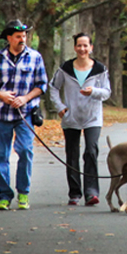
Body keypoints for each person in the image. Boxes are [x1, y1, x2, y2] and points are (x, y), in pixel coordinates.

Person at [0, 20, 48, 211]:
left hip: (25, 114)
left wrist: (25, 98)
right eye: (18, 37)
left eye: (24, 36)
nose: (22, 39)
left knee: (25, 151)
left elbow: (42, 85)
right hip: (1, 114)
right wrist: (0, 94)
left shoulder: (35, 57)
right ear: (9, 38)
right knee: (0, 155)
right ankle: (4, 196)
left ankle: (23, 193)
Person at [48, 32, 112, 206]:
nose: (82, 49)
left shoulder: (100, 69)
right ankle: (75, 193)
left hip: (93, 118)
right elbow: (53, 87)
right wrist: (60, 107)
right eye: (79, 45)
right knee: (72, 155)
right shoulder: (66, 68)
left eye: (85, 45)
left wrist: (94, 91)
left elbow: (106, 92)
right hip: (71, 117)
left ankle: (91, 193)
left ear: (91, 48)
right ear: (75, 47)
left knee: (91, 151)